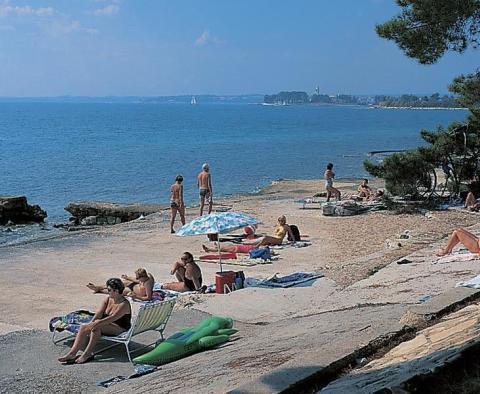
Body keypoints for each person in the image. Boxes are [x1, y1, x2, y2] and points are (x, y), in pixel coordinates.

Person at [58, 278, 131, 364]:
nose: (107, 291)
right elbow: (99, 313)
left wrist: (94, 324)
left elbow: (112, 318)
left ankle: (86, 354)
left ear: (117, 291)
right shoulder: (108, 299)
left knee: (95, 326)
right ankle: (73, 353)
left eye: (109, 290)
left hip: (119, 328)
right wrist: (91, 323)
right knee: (90, 328)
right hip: (106, 324)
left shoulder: (124, 304)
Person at [87, 268, 155, 301]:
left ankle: (100, 291)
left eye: (138, 277)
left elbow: (148, 298)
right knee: (119, 282)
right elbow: (137, 280)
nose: (137, 278)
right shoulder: (146, 276)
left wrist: (136, 297)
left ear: (142, 277)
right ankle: (98, 287)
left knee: (117, 290)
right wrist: (127, 277)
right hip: (134, 285)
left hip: (132, 291)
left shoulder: (147, 284)